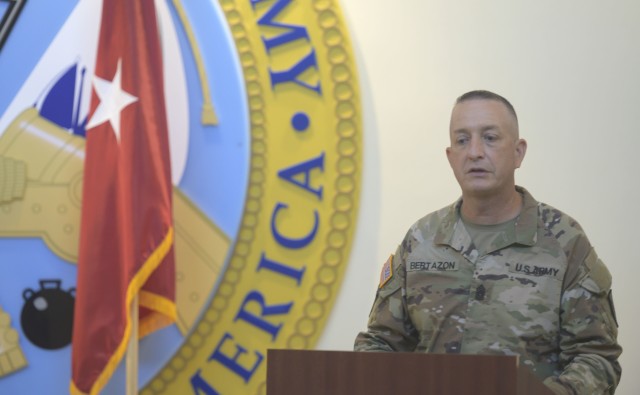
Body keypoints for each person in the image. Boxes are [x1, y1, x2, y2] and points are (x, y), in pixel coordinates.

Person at [354, 90, 622, 394]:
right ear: (450, 156)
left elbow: (596, 357)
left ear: (518, 152)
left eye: (490, 138)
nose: (475, 152)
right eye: (462, 140)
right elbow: (381, 343)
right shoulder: (421, 239)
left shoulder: (564, 241)